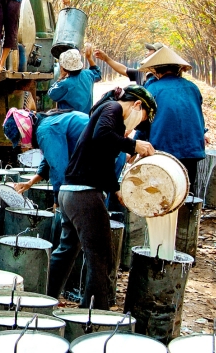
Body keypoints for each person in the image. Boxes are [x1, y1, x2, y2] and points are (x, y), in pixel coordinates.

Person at [48, 85, 157, 309]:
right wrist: (134, 145)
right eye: (142, 118)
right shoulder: (114, 108)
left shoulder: (108, 115)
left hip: (69, 194)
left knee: (67, 250)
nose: (137, 125)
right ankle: (95, 314)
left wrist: (116, 188)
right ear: (137, 105)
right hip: (85, 196)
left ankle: (44, 298)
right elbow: (103, 135)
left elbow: (104, 160)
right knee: (100, 257)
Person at [136, 46, 205, 188]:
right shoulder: (192, 87)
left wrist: (135, 144)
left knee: (163, 190)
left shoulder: (152, 89)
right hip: (192, 148)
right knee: (186, 188)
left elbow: (144, 123)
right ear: (177, 69)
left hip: (163, 148)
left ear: (156, 71)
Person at [4, 108, 90, 207]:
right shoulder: (44, 123)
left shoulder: (45, 130)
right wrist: (30, 183)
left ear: (24, 131)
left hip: (97, 145)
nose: (22, 144)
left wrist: (57, 200)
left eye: (20, 140)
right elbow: (49, 160)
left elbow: (58, 167)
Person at [48, 46, 102, 114]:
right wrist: (89, 58)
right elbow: (97, 73)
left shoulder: (65, 84)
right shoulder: (88, 74)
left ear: (64, 68)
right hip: (86, 119)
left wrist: (61, 76)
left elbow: (52, 94)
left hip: (70, 122)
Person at [94, 43, 163, 87]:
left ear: (157, 54)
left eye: (150, 50)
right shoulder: (141, 73)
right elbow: (124, 69)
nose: (146, 53)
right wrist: (106, 59)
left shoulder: (164, 76)